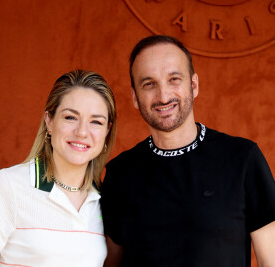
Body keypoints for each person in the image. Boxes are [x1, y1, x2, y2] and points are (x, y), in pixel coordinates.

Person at [101, 35, 275, 267]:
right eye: (149, 84)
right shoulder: (120, 173)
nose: (163, 96)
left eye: (174, 79)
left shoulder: (242, 158)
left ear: (193, 85)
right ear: (135, 97)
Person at [0, 69, 117, 267]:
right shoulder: (7, 187)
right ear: (49, 121)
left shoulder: (104, 199)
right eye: (70, 117)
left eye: (96, 122)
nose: (82, 131)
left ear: (107, 132)